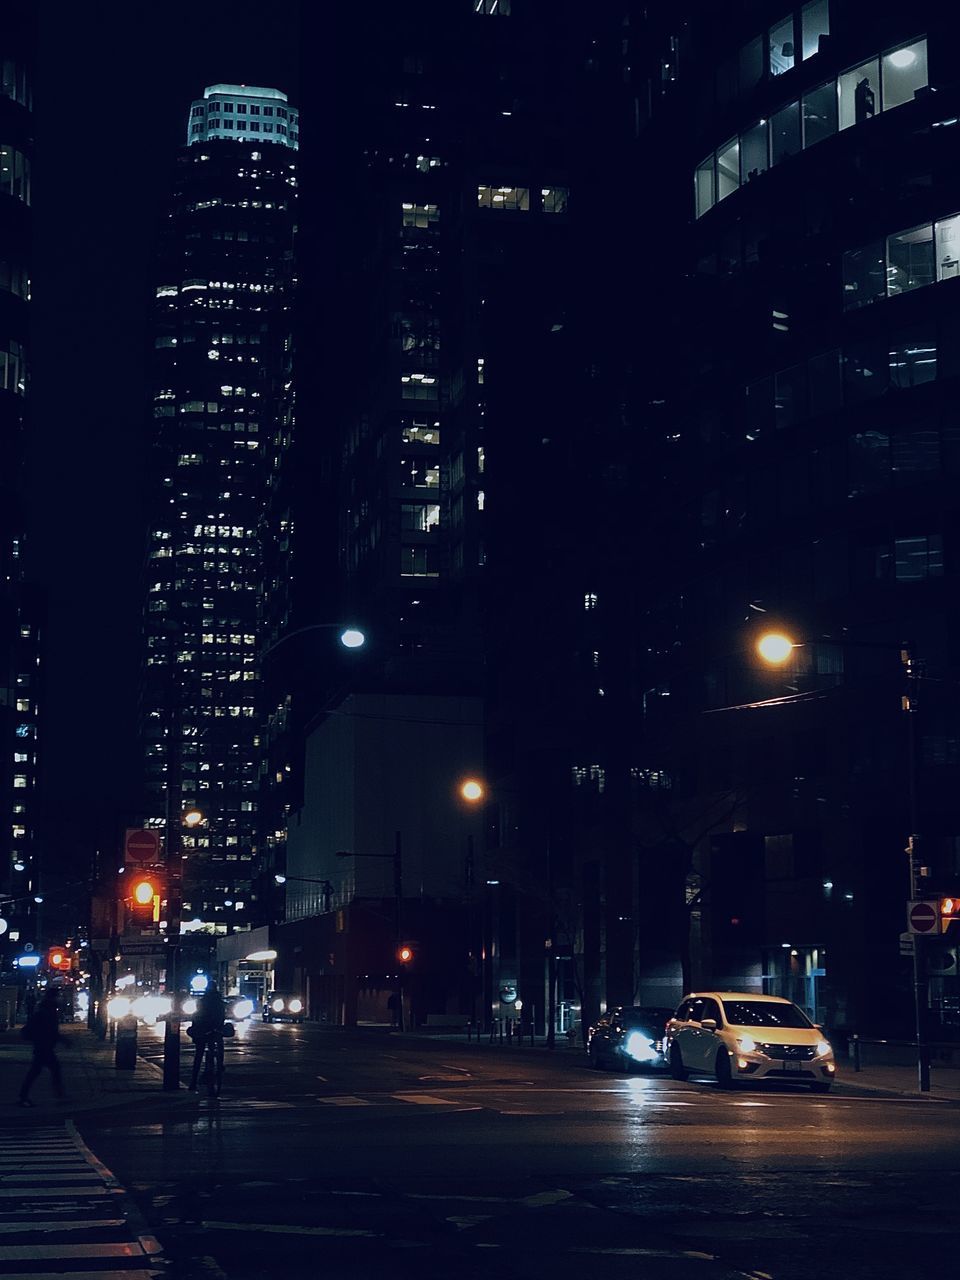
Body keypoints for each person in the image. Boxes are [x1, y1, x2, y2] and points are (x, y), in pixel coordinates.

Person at [18, 987, 64, 1107]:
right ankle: (59, 1095)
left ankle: (24, 1095)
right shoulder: (48, 1011)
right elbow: (49, 1030)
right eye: (58, 996)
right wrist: (63, 1040)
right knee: (49, 1069)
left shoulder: (47, 1009)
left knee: (38, 1070)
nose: (60, 998)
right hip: (44, 1046)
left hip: (43, 1046)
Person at [188, 983, 226, 1091]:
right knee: (219, 1048)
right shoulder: (219, 1002)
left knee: (198, 1055)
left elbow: (196, 1017)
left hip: (204, 1031)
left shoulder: (202, 1002)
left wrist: (196, 1031)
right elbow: (222, 1017)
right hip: (215, 1031)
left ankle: (193, 1081)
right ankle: (220, 1066)